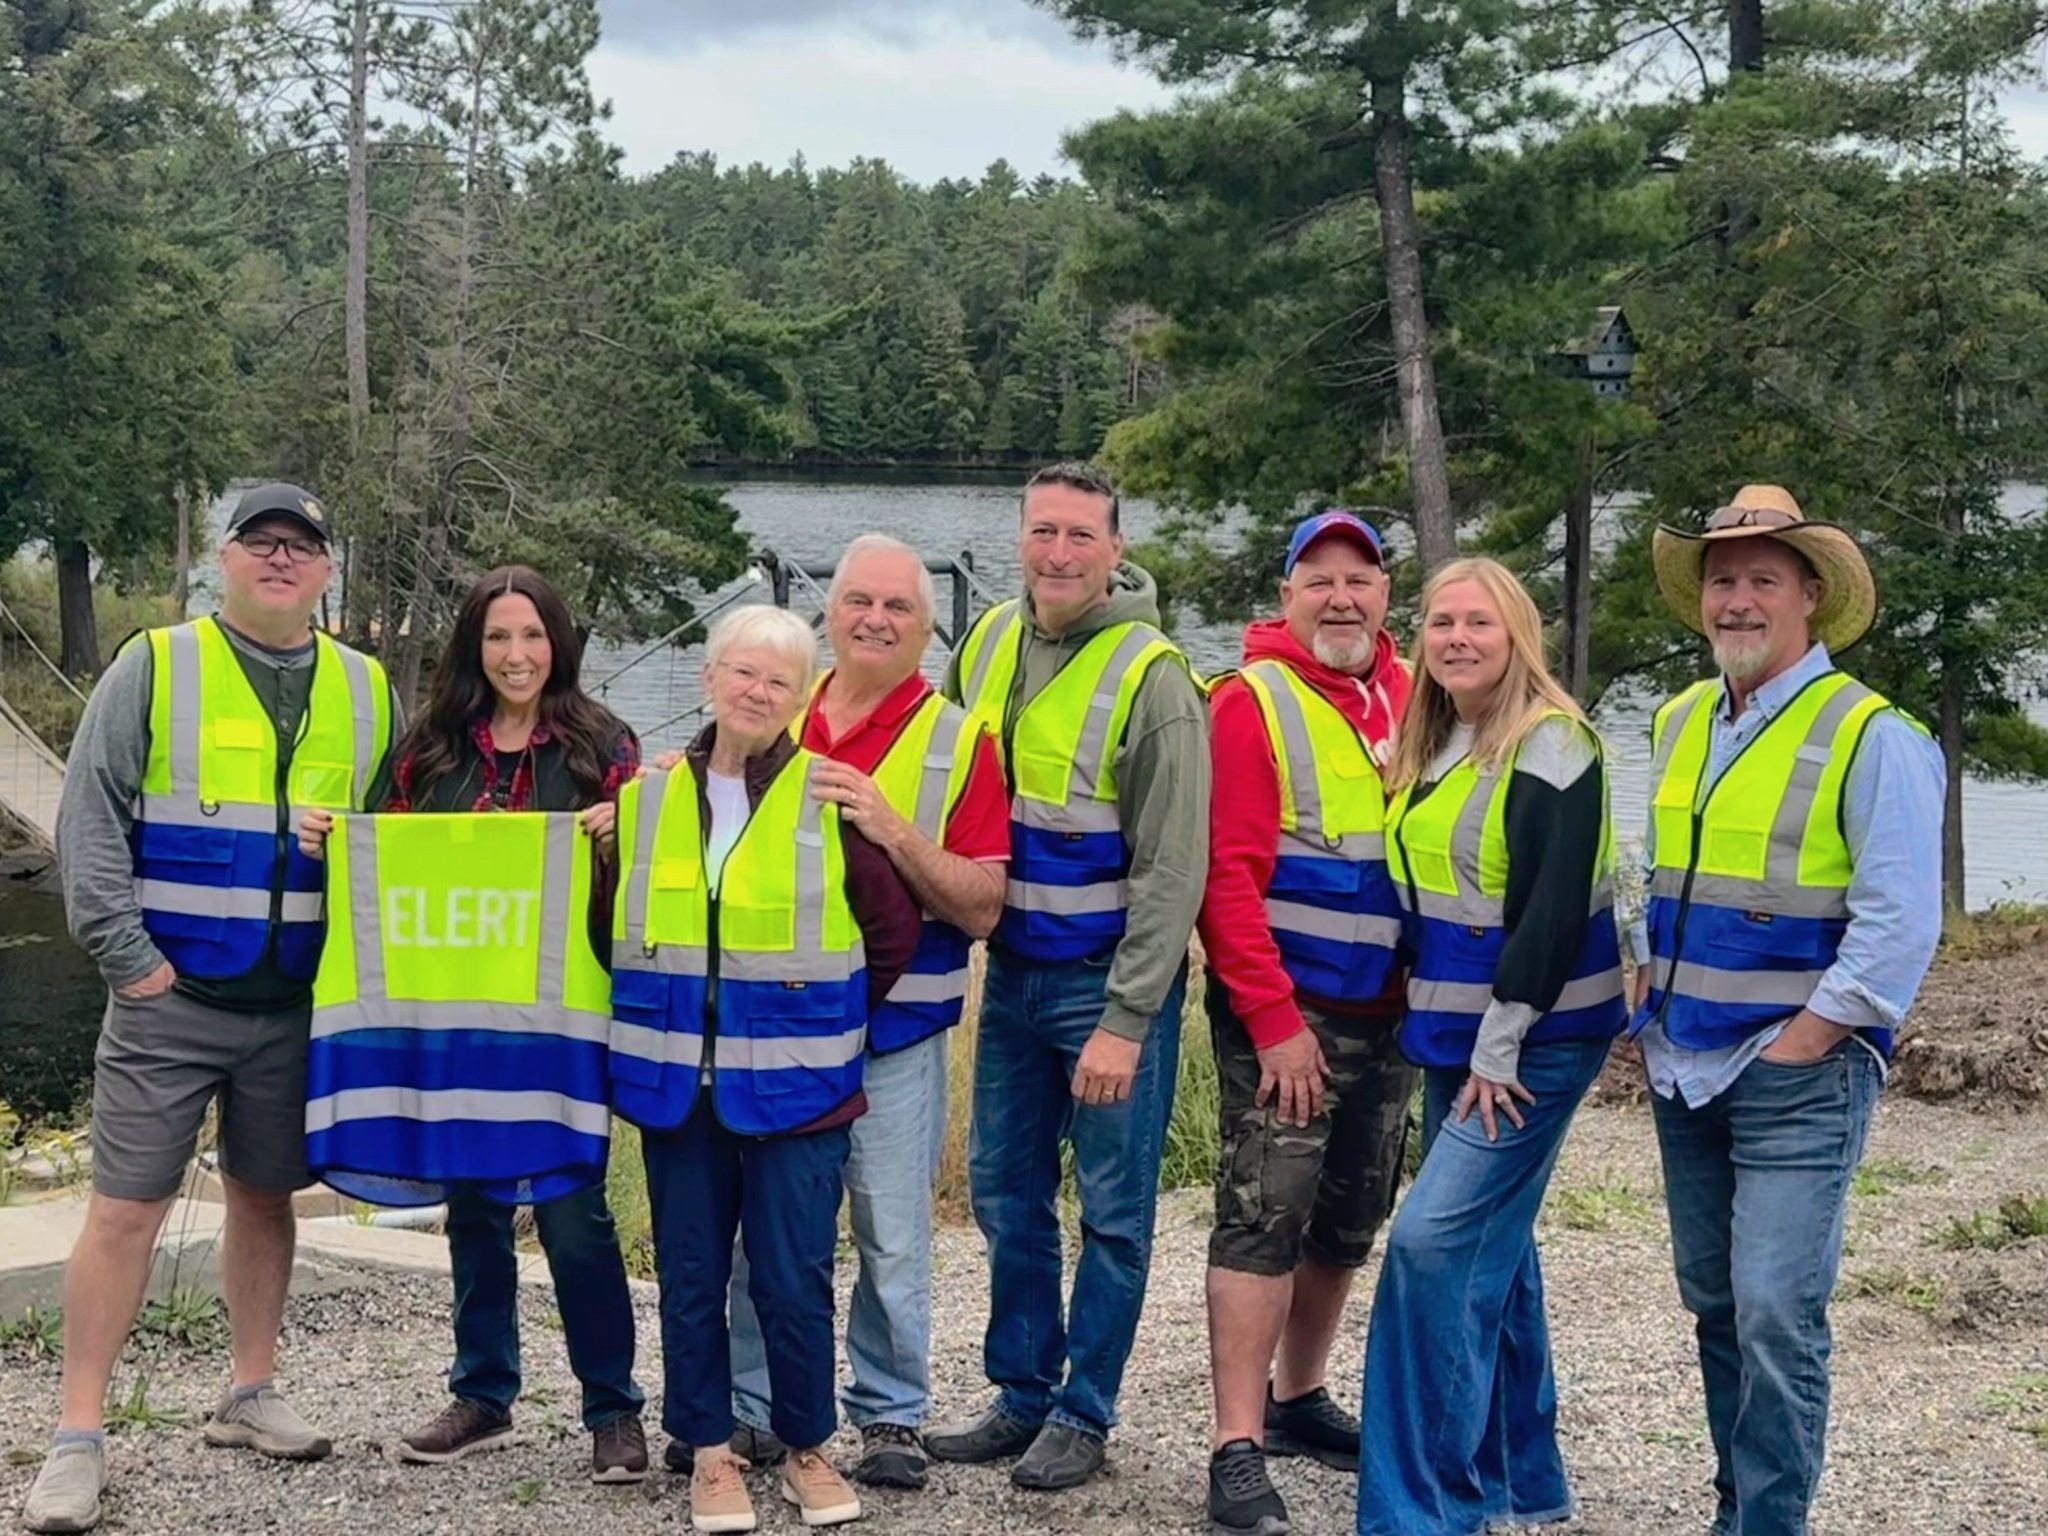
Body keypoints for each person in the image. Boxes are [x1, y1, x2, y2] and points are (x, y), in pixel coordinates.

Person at [26, 484, 395, 1535]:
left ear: (328, 571)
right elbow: (87, 816)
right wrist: (128, 960)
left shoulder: (367, 689)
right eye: (260, 543)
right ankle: (77, 1436)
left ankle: (249, 1392)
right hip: (169, 995)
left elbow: (401, 831)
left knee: (265, 1196)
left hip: (296, 1004)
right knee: (125, 1208)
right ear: (223, 561)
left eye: (303, 547)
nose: (281, 560)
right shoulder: (157, 663)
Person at [1631, 485, 1943, 1536]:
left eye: (1761, 578)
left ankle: (1768, 1525)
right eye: (1721, 579)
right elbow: (1659, 875)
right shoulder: (1677, 719)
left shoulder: (1869, 733)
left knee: (1772, 1309)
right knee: (1715, 1304)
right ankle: (1738, 1509)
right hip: (1680, 1065)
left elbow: (1899, 920)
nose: (1736, 599)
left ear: (1808, 596)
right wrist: (1640, 978)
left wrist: (1808, 1038)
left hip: (1793, 1070)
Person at [296, 566, 648, 1482]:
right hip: (456, 1014)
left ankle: (612, 1407)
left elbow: (647, 892)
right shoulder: (429, 753)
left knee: (574, 1212)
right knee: (476, 1208)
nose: (517, 655)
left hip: (563, 1024)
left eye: (532, 636)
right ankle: (484, 1392)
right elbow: (382, 866)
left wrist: (626, 841)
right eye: (498, 638)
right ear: (473, 648)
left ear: (559, 642)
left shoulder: (604, 748)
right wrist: (335, 843)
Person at [926, 461, 1210, 1492]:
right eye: (1042, 531)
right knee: (1005, 1193)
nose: (1056, 553)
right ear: (1020, 536)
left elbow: (1173, 868)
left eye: (1078, 537)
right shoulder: (991, 639)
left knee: (1114, 1212)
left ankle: (1085, 1411)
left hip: (1105, 985)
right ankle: (1020, 1393)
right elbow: (936, 772)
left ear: (1114, 550)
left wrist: (1127, 1021)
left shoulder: (1154, 677)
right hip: (1012, 976)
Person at [607, 604, 922, 1533]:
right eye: (742, 673)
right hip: (678, 1087)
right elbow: (602, 926)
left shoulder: (829, 798)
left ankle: (806, 1446)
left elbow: (891, 935)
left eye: (779, 681)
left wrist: (820, 1022)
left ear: (800, 697)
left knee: (793, 1277)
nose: (757, 692)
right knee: (693, 1273)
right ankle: (708, 1453)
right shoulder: (646, 798)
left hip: (802, 1088)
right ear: (709, 678)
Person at [718, 535, 1009, 1492]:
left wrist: (891, 826)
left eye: (898, 608)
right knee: (765, 1228)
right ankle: (754, 1406)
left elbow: (981, 905)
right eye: (858, 603)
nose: (875, 621)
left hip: (897, 1030)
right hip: (771, 1030)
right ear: (828, 612)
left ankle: (890, 1410)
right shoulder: (772, 708)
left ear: (928, 629)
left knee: (890, 1228)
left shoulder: (961, 739)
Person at [1357, 557, 1626, 1536]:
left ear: (1517, 636)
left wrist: (1498, 1047)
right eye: (1439, 624)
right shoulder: (1431, 742)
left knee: (1429, 1250)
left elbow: (1550, 913)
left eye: (1477, 622)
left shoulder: (1552, 745)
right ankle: (1525, 1479)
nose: (1456, 639)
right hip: (1447, 1030)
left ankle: (1422, 1512)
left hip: (1528, 1041)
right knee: (1490, 1253)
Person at [1197, 510, 1417, 1536]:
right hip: (1286, 1015)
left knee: (1348, 1216)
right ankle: (1234, 1446)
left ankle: (1297, 1398)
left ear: (1383, 596)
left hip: (1393, 1017)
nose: (1340, 597)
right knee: (1262, 1217)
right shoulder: (1252, 703)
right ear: (1285, 596)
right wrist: (1272, 1022)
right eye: (1317, 579)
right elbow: (1225, 881)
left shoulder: (1416, 694)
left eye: (1358, 580)